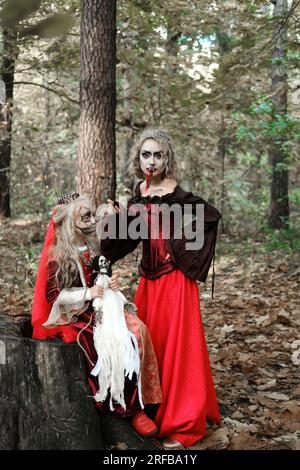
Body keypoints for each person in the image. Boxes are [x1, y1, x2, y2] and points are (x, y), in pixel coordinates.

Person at [101, 129, 222, 449]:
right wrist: (115, 223)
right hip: (148, 283)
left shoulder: (176, 194)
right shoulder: (139, 189)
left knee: (178, 349)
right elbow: (131, 236)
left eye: (158, 155)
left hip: (175, 281)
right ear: (138, 158)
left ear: (167, 158)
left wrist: (182, 252)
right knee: (149, 346)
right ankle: (150, 413)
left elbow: (208, 216)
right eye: (146, 155)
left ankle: (183, 422)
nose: (151, 161)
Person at [31, 192, 162, 438]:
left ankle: (142, 401)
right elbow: (54, 297)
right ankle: (124, 407)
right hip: (78, 313)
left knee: (136, 330)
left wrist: (109, 283)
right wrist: (88, 293)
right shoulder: (60, 256)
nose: (92, 220)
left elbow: (100, 273)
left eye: (92, 215)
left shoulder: (92, 246)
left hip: (103, 305)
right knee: (108, 343)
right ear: (71, 223)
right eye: (86, 216)